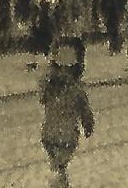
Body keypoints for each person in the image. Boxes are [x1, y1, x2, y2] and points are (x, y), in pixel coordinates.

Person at [39, 36, 94, 187]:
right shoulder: (76, 89)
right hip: (67, 136)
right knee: (60, 165)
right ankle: (59, 182)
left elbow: (42, 98)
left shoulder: (50, 85)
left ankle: (59, 181)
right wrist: (88, 124)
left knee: (57, 164)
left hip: (49, 134)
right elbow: (84, 110)